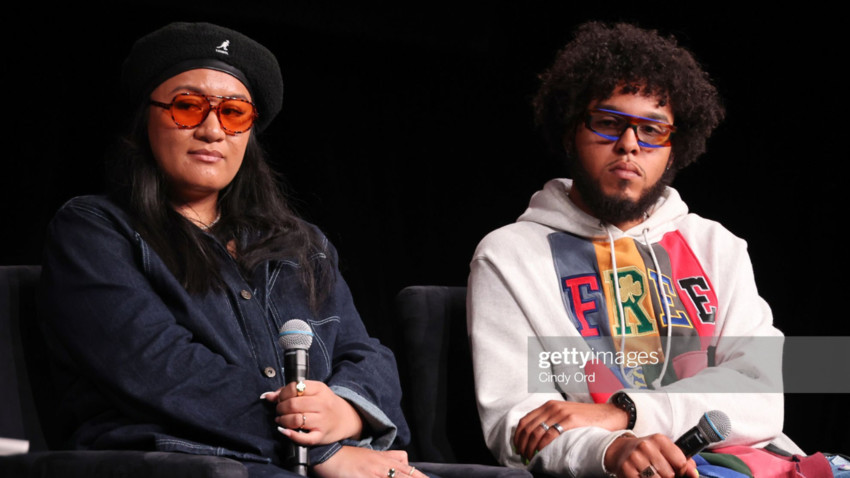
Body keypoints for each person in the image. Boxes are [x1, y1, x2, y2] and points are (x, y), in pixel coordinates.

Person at [38, 22, 428, 478]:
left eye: (234, 113)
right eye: (187, 107)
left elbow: (367, 355)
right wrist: (317, 449)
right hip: (187, 463)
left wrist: (346, 411)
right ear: (146, 120)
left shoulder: (302, 244)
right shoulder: (95, 231)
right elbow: (162, 370)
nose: (211, 130)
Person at [467, 22, 805, 478]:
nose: (629, 144)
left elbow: (762, 394)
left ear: (674, 148)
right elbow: (518, 425)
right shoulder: (508, 258)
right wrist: (612, 449)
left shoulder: (718, 247)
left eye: (652, 130)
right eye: (608, 122)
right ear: (571, 132)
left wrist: (625, 411)